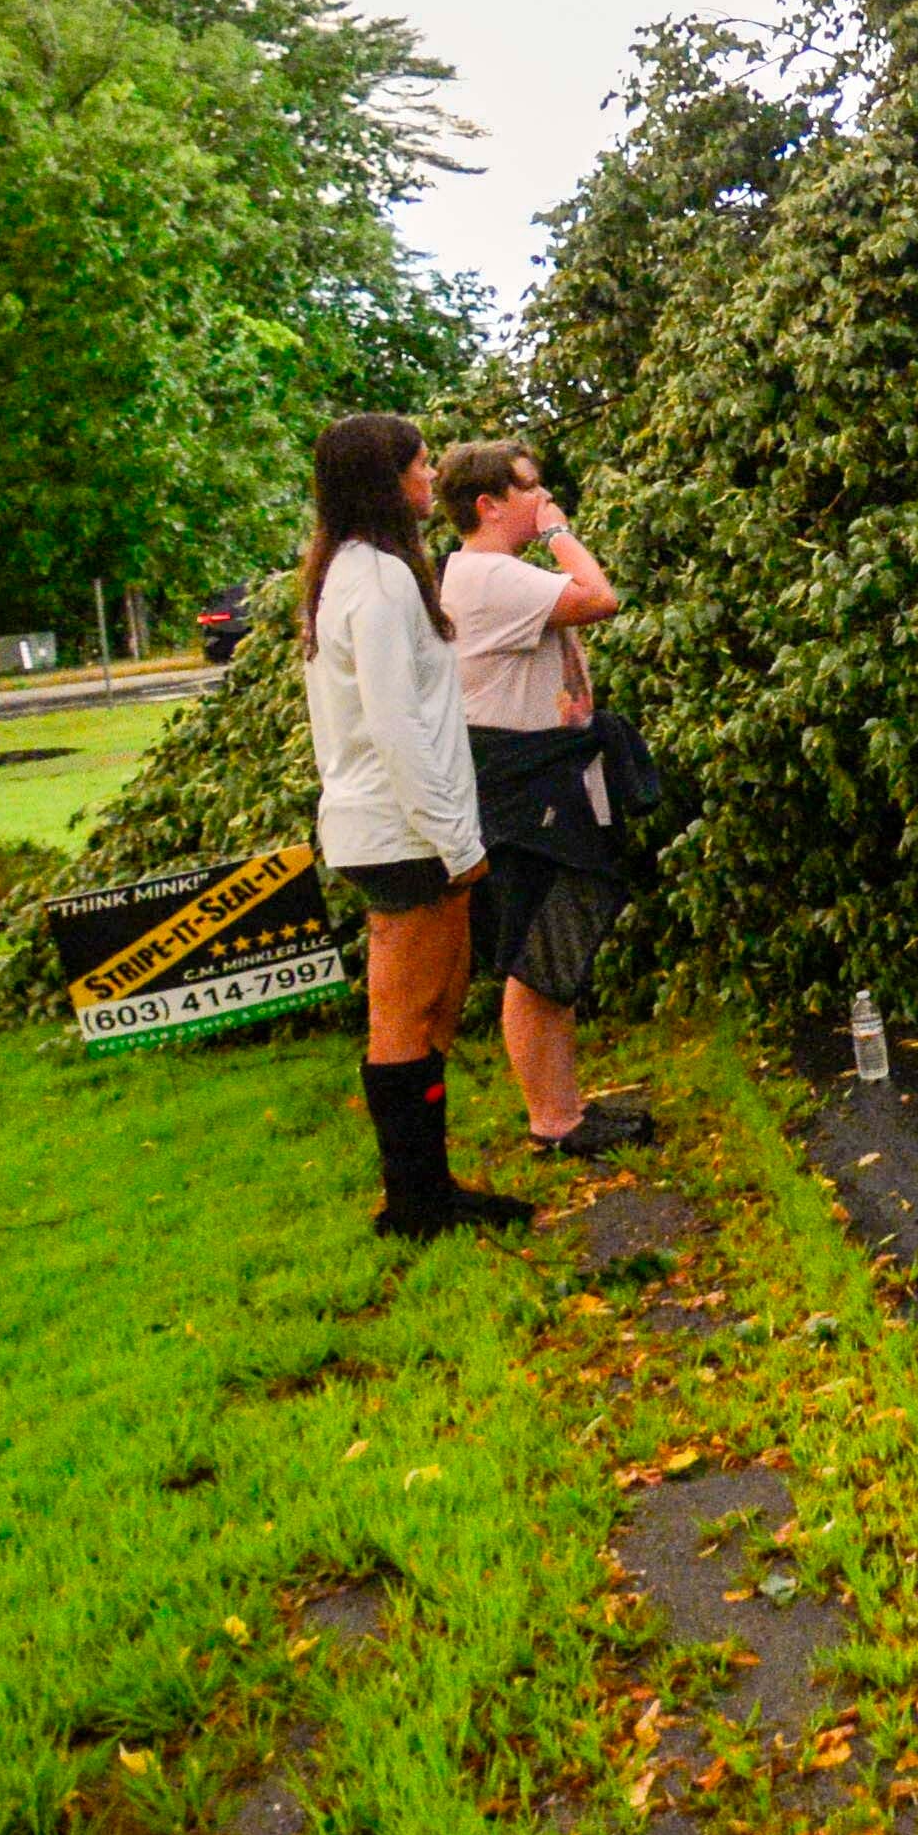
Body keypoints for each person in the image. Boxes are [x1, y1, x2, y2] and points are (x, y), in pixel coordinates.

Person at [298, 411, 532, 1239]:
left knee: (428, 1009)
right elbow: (398, 729)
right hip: (405, 835)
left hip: (398, 828)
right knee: (408, 1009)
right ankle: (417, 1206)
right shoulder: (379, 580)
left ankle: (430, 1191)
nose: (433, 478)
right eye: (422, 465)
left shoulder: (358, 571)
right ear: (384, 481)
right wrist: (459, 848)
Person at [434, 434, 638, 1160]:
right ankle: (553, 1122)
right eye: (529, 487)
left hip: (533, 775)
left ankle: (566, 1111)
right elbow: (601, 598)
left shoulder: (488, 575)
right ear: (488, 504)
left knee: (554, 948)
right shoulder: (489, 574)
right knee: (536, 951)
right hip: (524, 788)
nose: (543, 496)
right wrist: (558, 533)